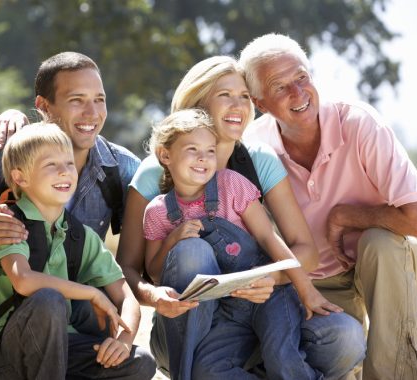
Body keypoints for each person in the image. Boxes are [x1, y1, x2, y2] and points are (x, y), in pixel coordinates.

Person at [116, 55, 366, 379]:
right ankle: (196, 370)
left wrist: (268, 279)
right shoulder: (155, 174)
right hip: (193, 330)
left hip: (260, 306)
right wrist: (154, 296)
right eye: (225, 95)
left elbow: (302, 249)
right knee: (194, 251)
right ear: (198, 102)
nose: (239, 106)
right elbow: (128, 270)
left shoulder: (254, 163)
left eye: (245, 97)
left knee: (343, 338)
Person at [0, 51, 141, 379]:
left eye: (99, 99)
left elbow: (130, 276)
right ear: (44, 107)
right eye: (77, 100)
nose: (91, 113)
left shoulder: (120, 167)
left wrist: (124, 338)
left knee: (137, 360)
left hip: (71, 303)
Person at [239, 32, 417, 380]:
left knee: (382, 243)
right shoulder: (253, 149)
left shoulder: (360, 123)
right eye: (280, 86)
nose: (298, 93)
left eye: (302, 78)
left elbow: (416, 218)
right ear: (259, 103)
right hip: (311, 280)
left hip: (382, 267)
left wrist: (350, 216)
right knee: (345, 353)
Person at [144, 108, 330, 379]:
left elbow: (268, 237)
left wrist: (305, 288)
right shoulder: (158, 212)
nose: (203, 158)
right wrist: (173, 239)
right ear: (165, 155)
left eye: (210, 150)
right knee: (207, 371)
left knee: (282, 359)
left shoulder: (231, 184)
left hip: (269, 296)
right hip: (226, 315)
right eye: (193, 149)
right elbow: (156, 273)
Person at [0, 123, 154, 379]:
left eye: (69, 164)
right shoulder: (7, 224)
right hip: (11, 355)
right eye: (51, 165)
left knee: (140, 362)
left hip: (65, 350)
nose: (64, 173)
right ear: (20, 177)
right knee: (49, 300)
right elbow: (24, 281)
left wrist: (123, 341)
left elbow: (127, 298)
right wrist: (91, 293)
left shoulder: (81, 235)